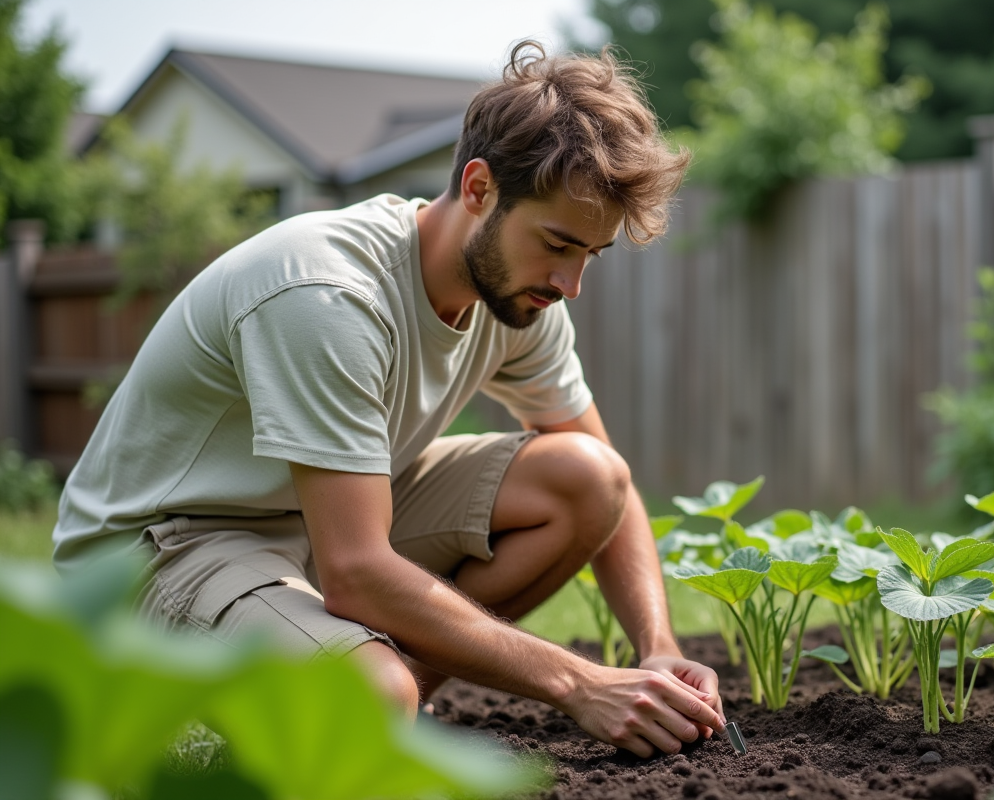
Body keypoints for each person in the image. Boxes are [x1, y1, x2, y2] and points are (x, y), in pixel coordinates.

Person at [51, 41, 725, 758]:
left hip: (313, 526)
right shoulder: (328, 295)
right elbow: (357, 573)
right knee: (371, 693)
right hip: (167, 547)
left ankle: (363, 701)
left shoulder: (520, 301)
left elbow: (607, 486)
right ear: (477, 188)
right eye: (558, 243)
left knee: (588, 477)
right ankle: (289, 717)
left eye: (590, 254)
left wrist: (656, 649)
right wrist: (579, 683)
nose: (571, 283)